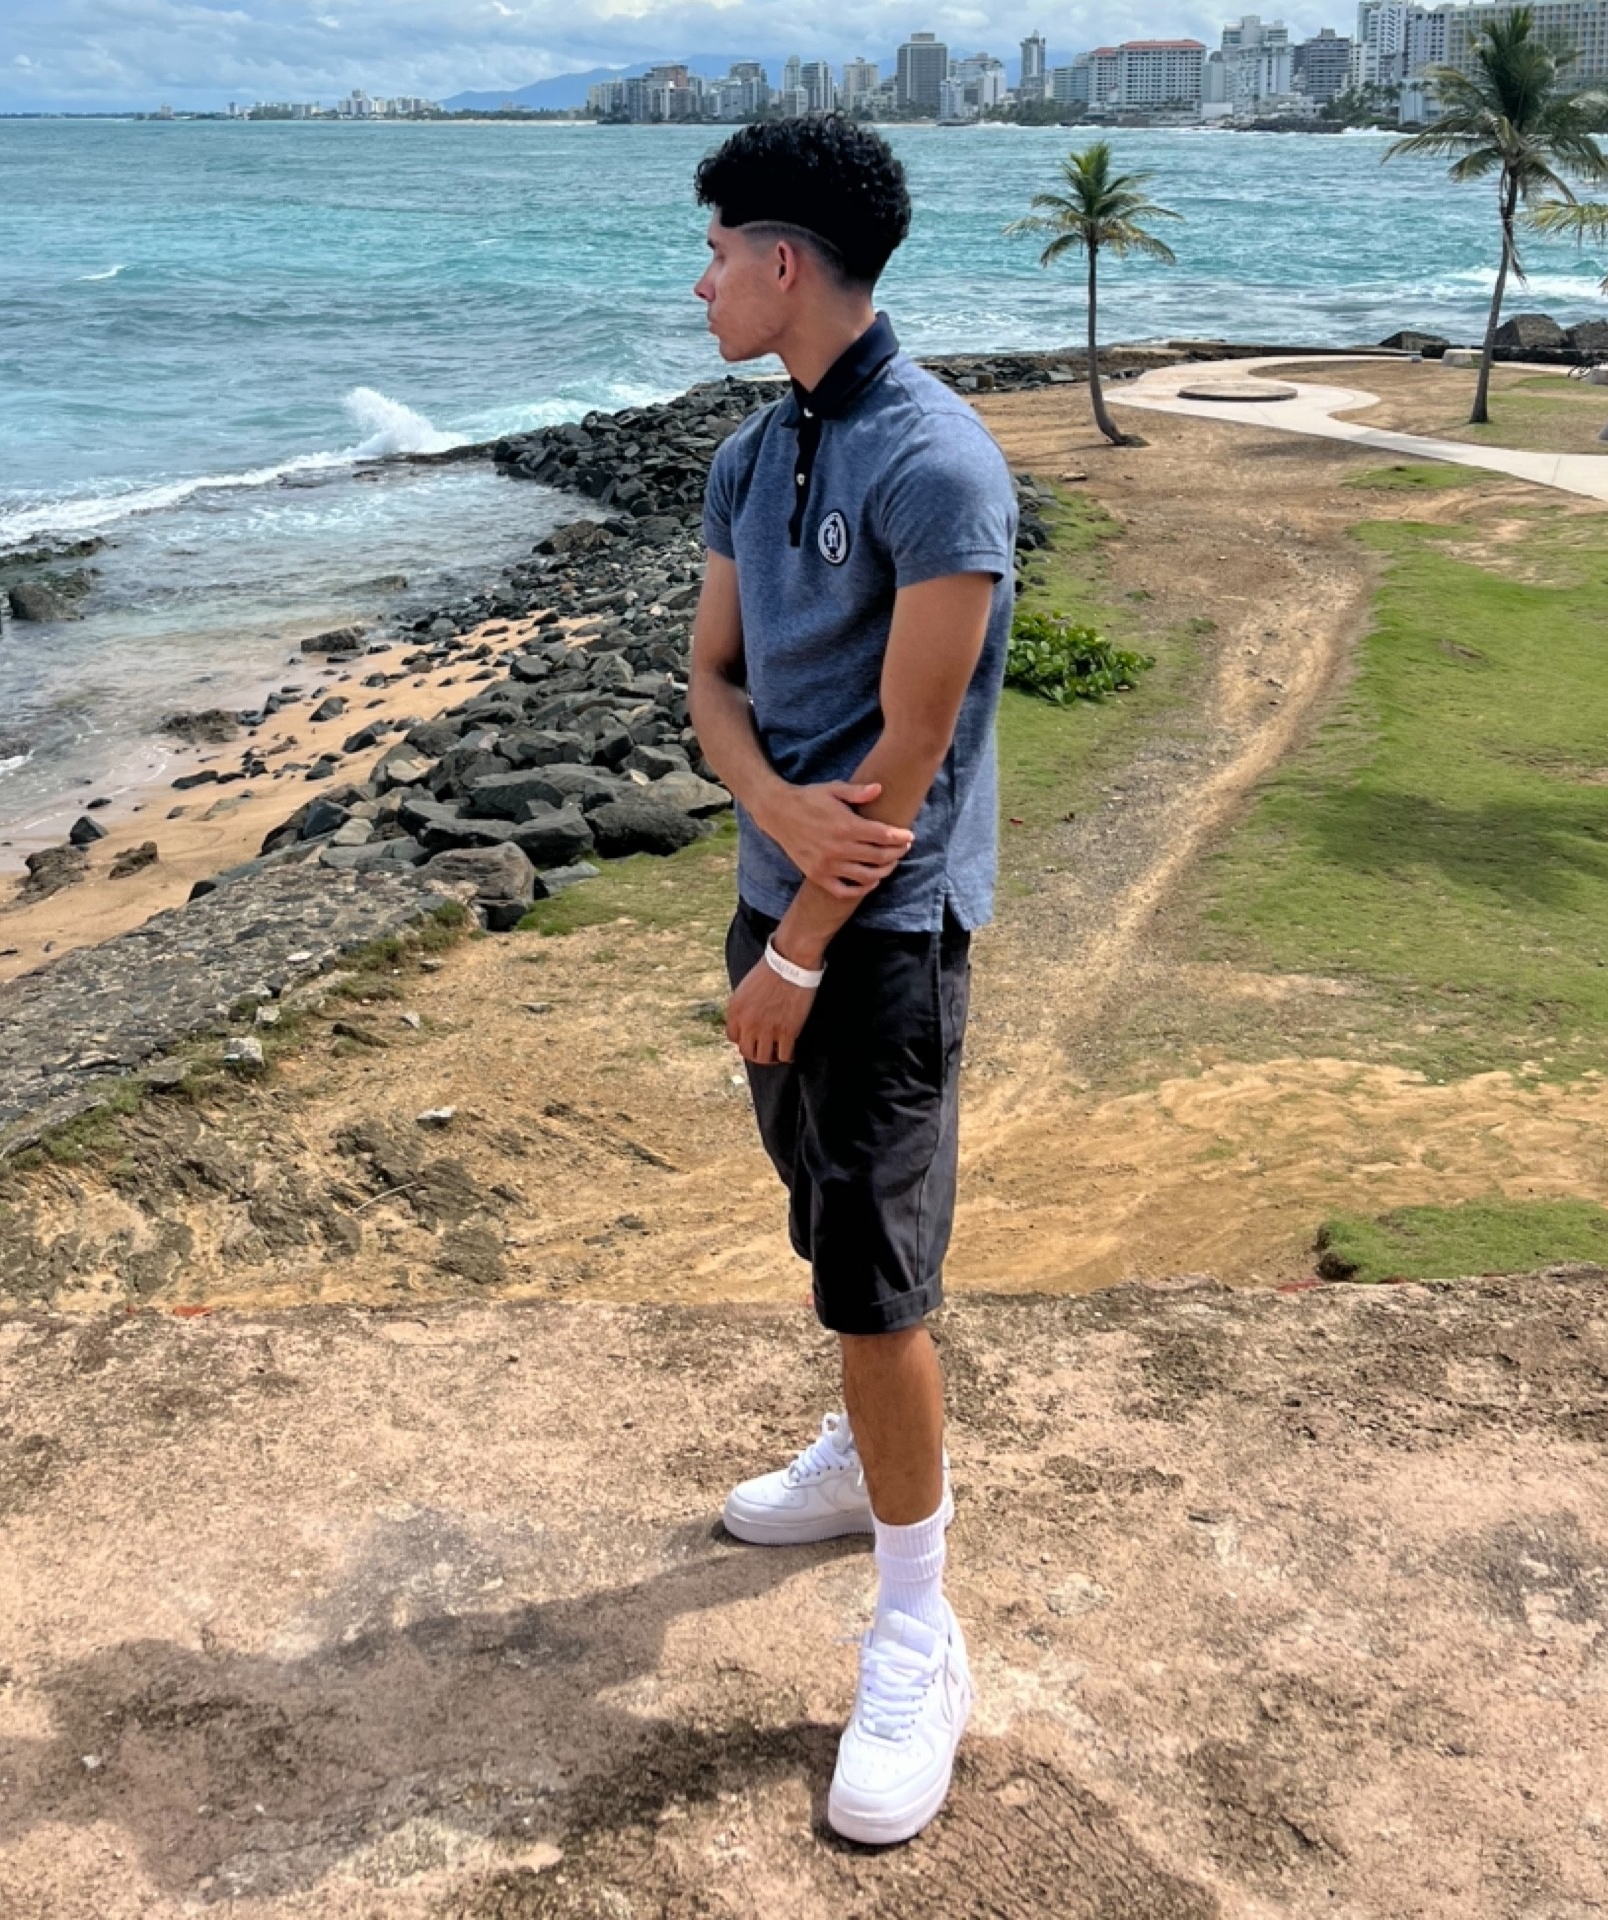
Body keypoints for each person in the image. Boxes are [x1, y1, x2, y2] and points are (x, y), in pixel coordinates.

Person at [687, 115, 1017, 1847]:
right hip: (777, 913)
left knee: (883, 1286)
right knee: (824, 1223)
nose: (703, 284)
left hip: (875, 945)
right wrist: (770, 815)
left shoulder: (938, 462)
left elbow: (910, 752)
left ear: (784, 263)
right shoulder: (752, 455)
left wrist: (802, 951)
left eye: (717, 254)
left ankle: (916, 1629)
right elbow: (712, 685)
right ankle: (856, 1466)